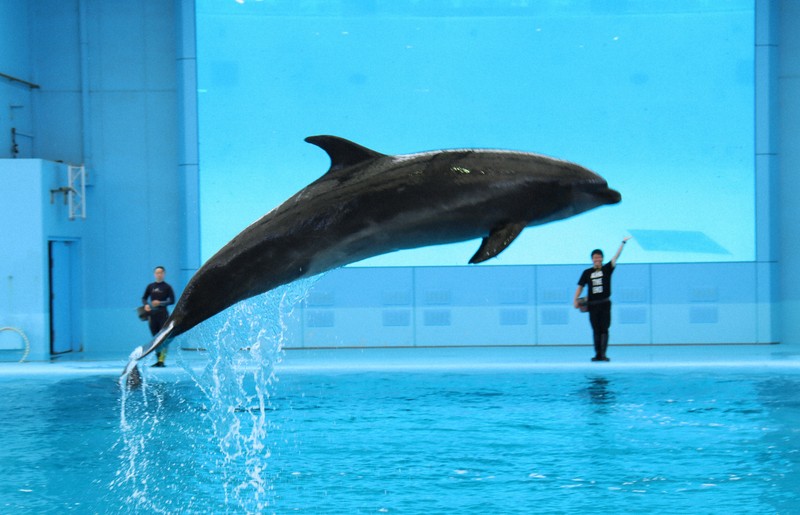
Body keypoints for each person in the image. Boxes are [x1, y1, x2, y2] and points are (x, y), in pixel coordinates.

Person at [573, 237, 631, 362]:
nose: (597, 259)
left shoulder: (607, 269)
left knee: (604, 329)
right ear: (592, 259)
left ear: (602, 258)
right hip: (592, 304)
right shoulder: (587, 272)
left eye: (599, 257)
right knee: (595, 329)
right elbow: (580, 286)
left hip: (605, 303)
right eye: (595, 257)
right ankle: (597, 354)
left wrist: (623, 243)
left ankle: (603, 354)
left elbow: (616, 256)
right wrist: (575, 300)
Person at [141, 265, 175, 367]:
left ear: (164, 274)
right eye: (157, 273)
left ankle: (161, 361)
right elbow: (144, 298)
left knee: (163, 338)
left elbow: (172, 300)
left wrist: (160, 303)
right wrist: (146, 305)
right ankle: (158, 359)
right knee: (155, 338)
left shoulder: (167, 287)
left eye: (161, 272)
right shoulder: (150, 286)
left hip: (163, 315)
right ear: (154, 274)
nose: (159, 274)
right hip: (152, 315)